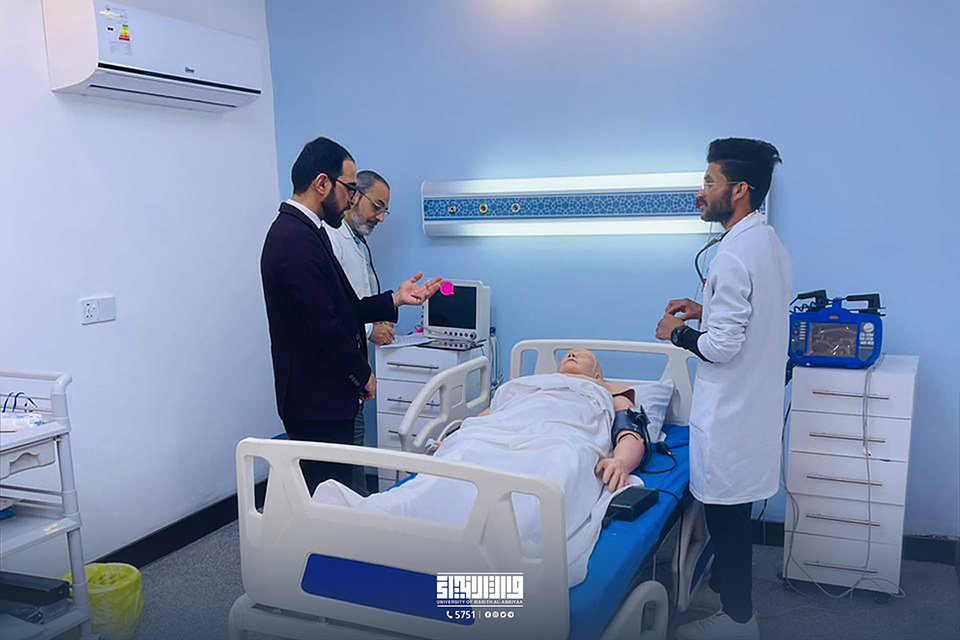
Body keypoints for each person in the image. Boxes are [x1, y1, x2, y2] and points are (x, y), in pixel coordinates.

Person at [312, 348, 647, 587]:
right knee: (457, 463)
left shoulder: (607, 393)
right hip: (493, 436)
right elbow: (483, 420)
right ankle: (380, 522)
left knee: (549, 473)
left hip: (561, 440)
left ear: (598, 373)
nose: (571, 354)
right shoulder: (526, 386)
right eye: (568, 354)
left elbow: (631, 433)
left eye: (582, 355)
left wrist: (620, 461)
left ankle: (495, 560)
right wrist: (455, 438)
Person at [655, 138, 792, 640]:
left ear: (739, 190)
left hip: (732, 416)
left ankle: (739, 621)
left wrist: (678, 333)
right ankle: (734, 605)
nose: (701, 192)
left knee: (728, 523)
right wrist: (704, 309)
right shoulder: (769, 245)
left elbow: (721, 348)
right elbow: (753, 319)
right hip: (751, 412)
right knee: (734, 519)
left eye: (709, 182)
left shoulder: (733, 255)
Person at [260, 136, 442, 494]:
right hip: (315, 399)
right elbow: (324, 326)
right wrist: (363, 375)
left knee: (335, 493)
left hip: (326, 395)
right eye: (349, 187)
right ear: (322, 183)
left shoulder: (311, 233)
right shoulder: (293, 239)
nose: (350, 198)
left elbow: (343, 306)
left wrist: (395, 299)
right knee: (327, 497)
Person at [323, 169, 394, 495]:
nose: (380, 217)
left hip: (354, 374)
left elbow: (357, 301)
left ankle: (358, 510)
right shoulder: (333, 240)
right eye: (377, 206)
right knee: (346, 468)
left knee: (353, 454)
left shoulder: (356, 243)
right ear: (354, 196)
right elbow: (333, 311)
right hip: (340, 374)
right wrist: (369, 330)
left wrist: (378, 320)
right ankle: (356, 514)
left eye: (385, 210)